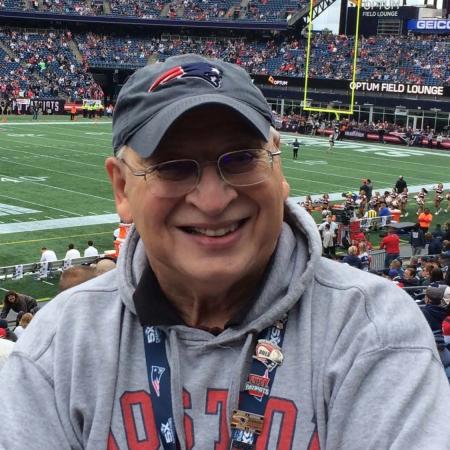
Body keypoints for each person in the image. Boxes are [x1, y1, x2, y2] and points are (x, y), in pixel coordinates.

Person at [1, 54, 449, 449]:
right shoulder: (62, 345)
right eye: (173, 167)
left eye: (241, 158)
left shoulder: (373, 332)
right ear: (121, 187)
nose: (213, 200)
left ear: (278, 163)